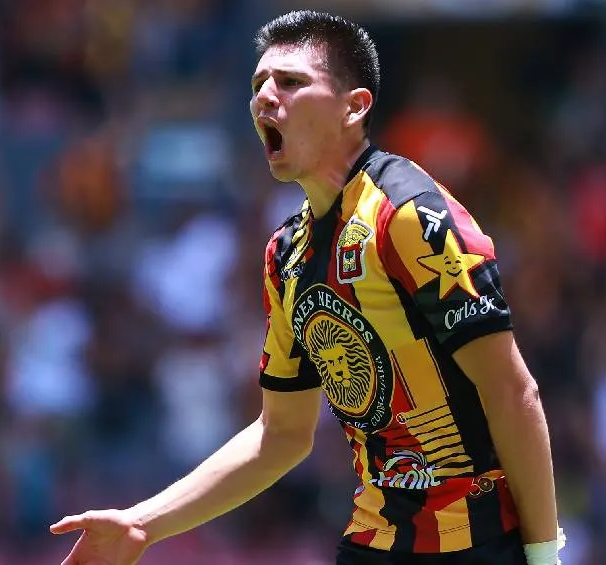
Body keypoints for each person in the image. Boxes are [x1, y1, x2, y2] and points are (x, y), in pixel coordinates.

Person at [49, 10, 564, 565]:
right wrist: (142, 523)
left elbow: (512, 392)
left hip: (478, 546)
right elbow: (281, 434)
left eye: (291, 81)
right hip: (376, 543)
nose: (264, 98)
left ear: (354, 107)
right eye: (258, 85)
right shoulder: (286, 256)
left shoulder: (410, 215)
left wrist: (542, 556)